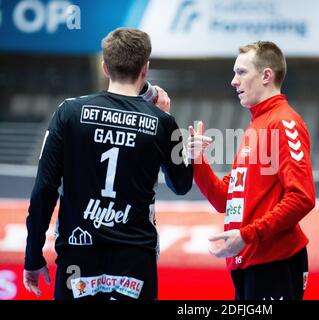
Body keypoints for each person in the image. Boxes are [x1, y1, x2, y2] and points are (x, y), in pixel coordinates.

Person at [23, 28, 193, 300]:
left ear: (105, 67)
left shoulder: (69, 112)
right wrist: (170, 126)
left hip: (78, 253)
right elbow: (181, 184)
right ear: (145, 69)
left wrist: (33, 256)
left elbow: (44, 190)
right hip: (135, 258)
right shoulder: (162, 123)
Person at [188, 41, 316, 300]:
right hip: (251, 262)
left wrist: (248, 235)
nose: (233, 81)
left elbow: (303, 197)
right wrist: (197, 160)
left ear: (266, 75)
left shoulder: (283, 122)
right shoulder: (258, 124)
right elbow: (225, 199)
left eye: (241, 72)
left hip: (274, 263)